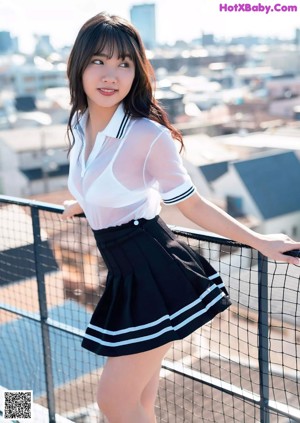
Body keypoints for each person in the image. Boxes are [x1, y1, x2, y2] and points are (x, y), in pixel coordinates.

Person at [62, 12, 300, 423]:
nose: (111, 74)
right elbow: (108, 182)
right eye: (99, 60)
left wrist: (260, 242)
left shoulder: (147, 135)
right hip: (123, 273)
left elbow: (192, 206)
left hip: (156, 271)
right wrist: (85, 202)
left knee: (113, 401)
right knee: (141, 401)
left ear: (137, 72)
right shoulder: (82, 127)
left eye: (124, 63)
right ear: (79, 65)